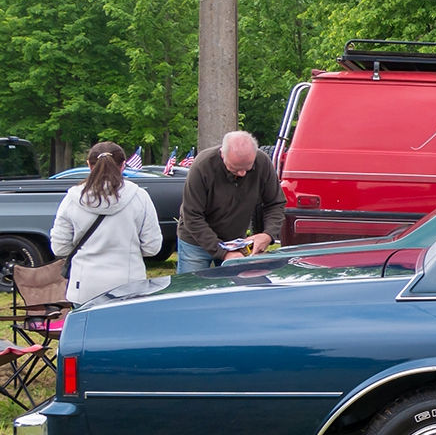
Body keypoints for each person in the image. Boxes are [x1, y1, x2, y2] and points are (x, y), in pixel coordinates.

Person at [49, 141, 162, 304]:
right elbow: (152, 247)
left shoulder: (72, 199)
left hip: (84, 287)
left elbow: (59, 247)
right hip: (130, 285)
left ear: (89, 165)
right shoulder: (139, 197)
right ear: (123, 165)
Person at [176, 130, 286, 273]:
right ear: (223, 154)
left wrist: (268, 234)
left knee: (235, 290)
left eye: (247, 168)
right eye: (235, 169)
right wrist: (223, 253)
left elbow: (275, 203)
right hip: (197, 242)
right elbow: (192, 216)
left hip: (234, 242)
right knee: (191, 289)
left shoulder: (262, 162)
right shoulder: (202, 166)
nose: (242, 174)